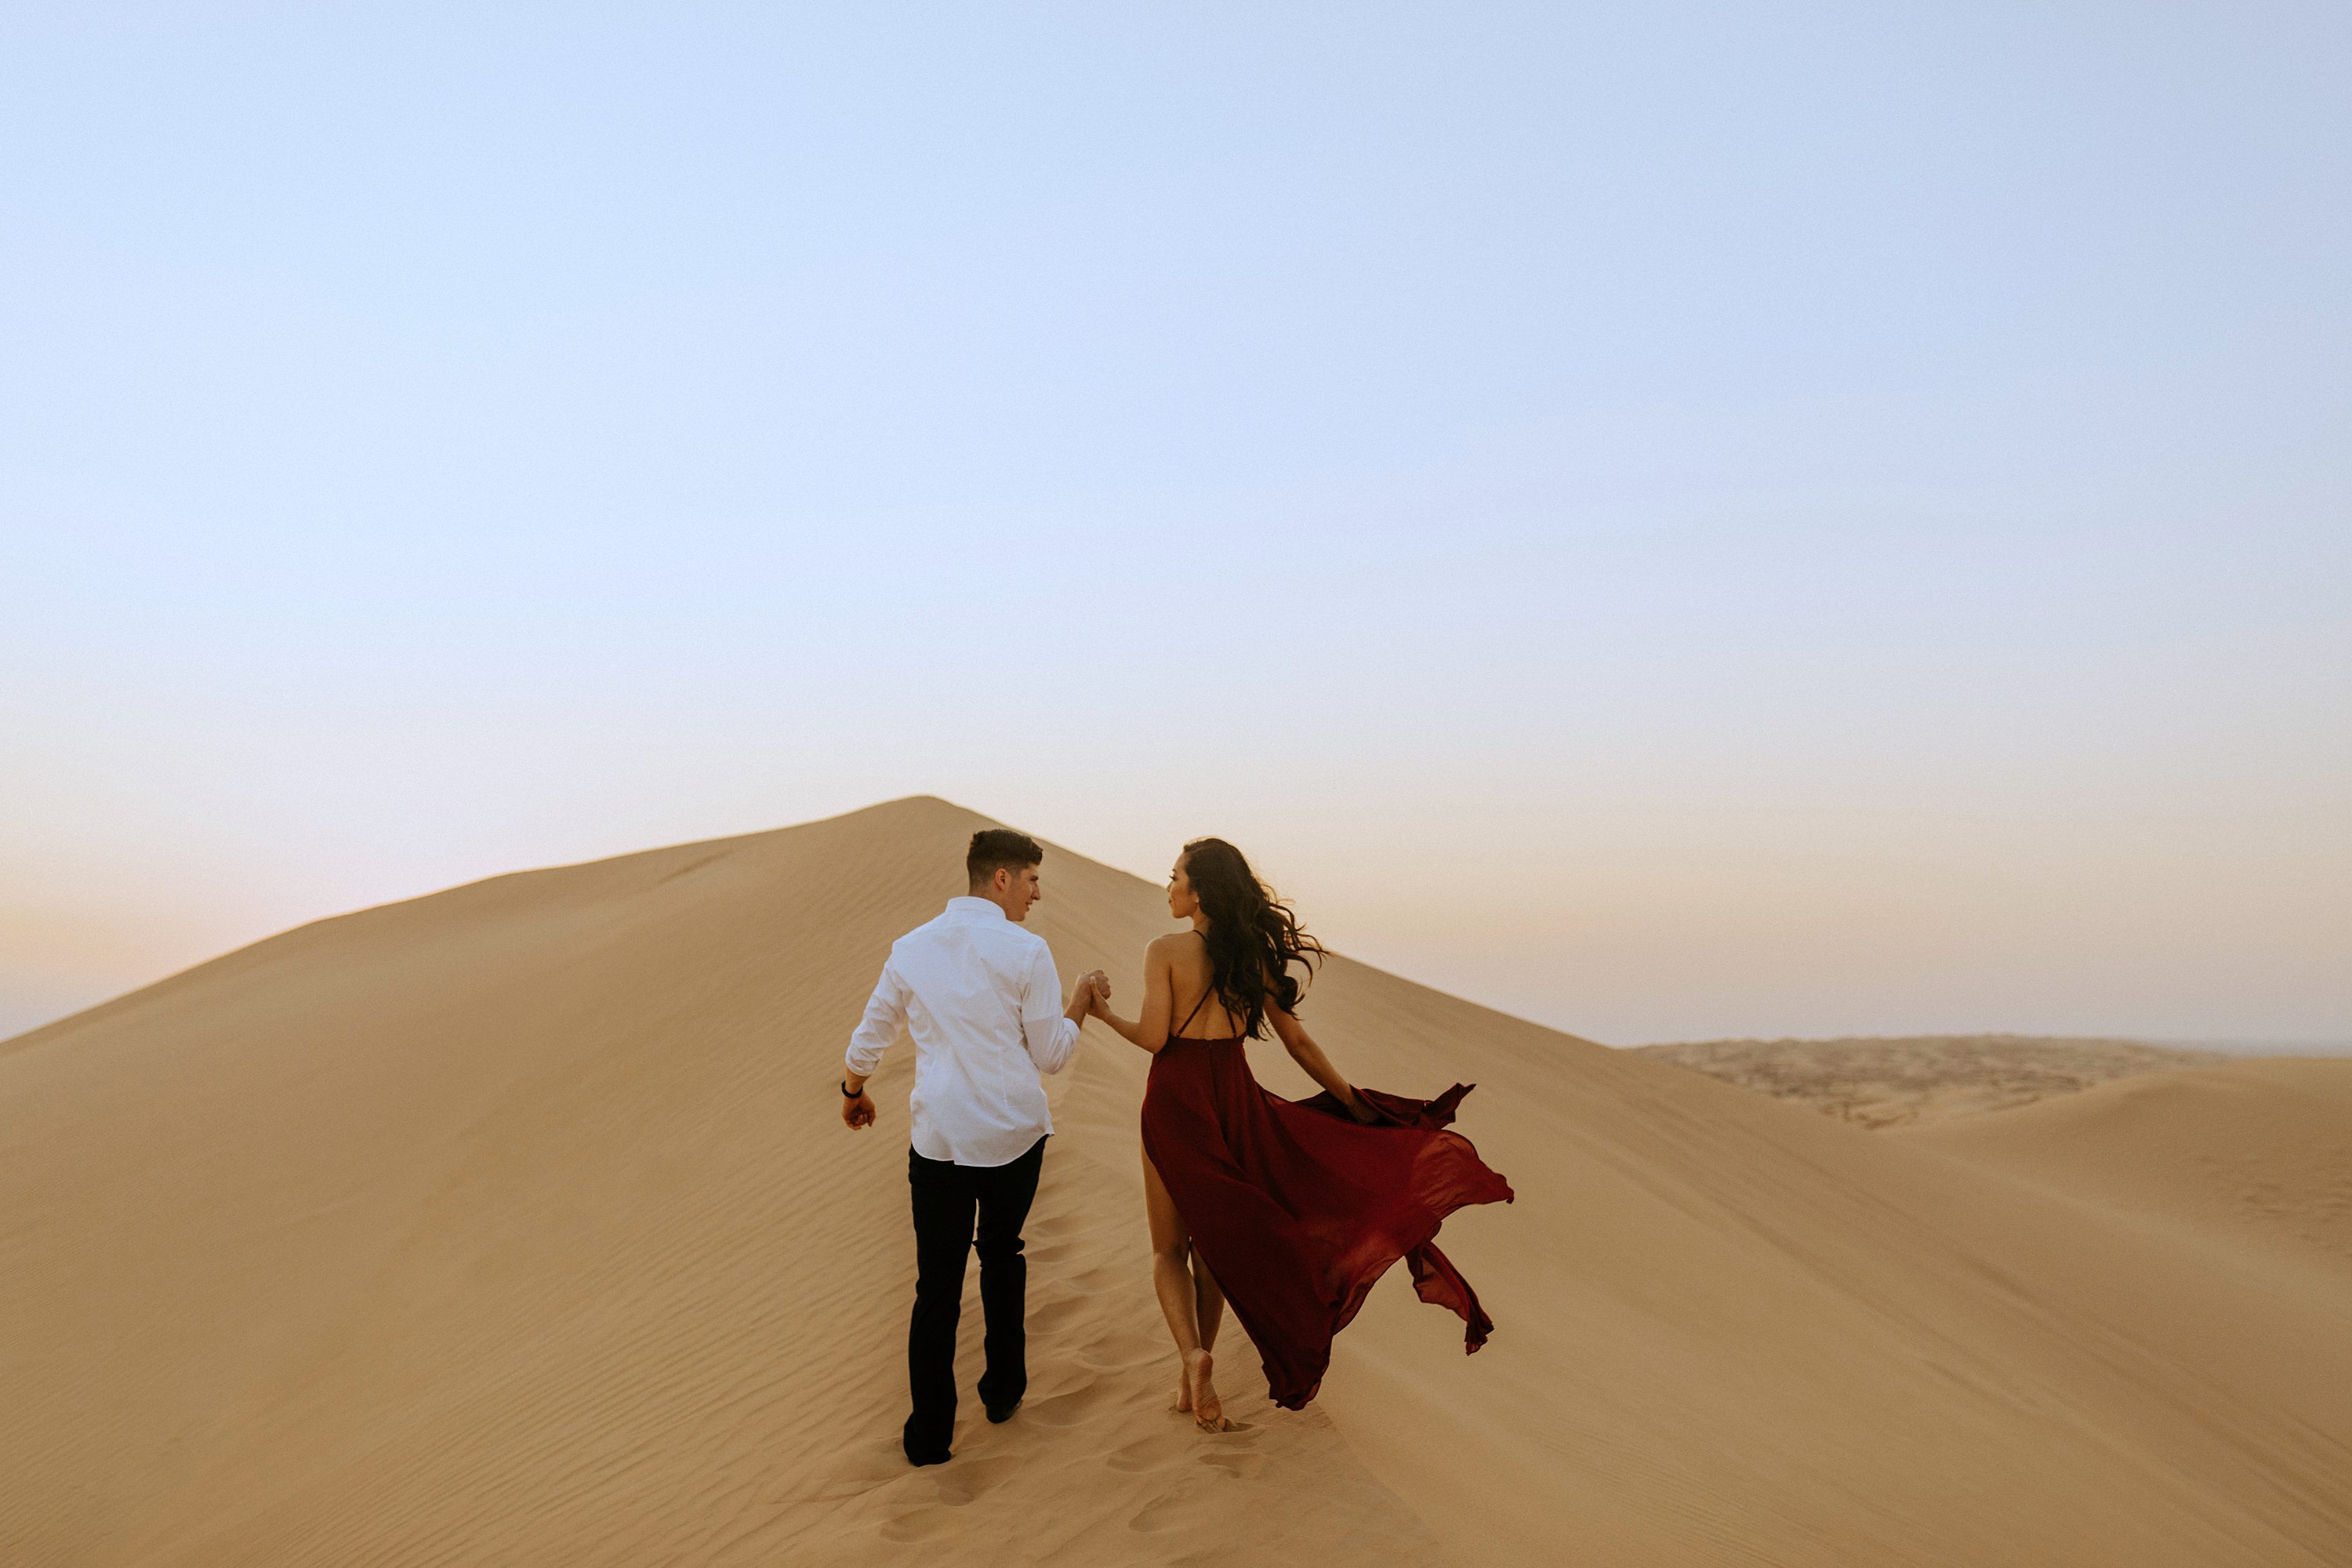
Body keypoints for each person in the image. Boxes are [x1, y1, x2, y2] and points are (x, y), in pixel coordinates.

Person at [1087, 837, 1513, 1430]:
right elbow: (1299, 1043)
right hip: (1234, 1100)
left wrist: (1101, 1013)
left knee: (1167, 1249)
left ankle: (1192, 1358)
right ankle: (1192, 1379)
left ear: (1201, 888)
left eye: (1176, 876)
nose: (1169, 886)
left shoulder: (1164, 950)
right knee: (1213, 1251)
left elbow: (1158, 1040)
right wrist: (1351, 1103)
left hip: (1176, 1101)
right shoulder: (1251, 958)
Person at [841, 828, 1107, 1467]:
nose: (1036, 895)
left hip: (940, 1141)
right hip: (1014, 1135)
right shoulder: (1027, 950)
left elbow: (870, 1035)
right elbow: (1051, 1056)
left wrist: (854, 1089)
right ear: (1001, 879)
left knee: (937, 1285)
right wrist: (1079, 1005)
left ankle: (931, 1436)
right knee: (1003, 1254)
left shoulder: (911, 948)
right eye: (1033, 880)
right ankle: (1002, 1392)